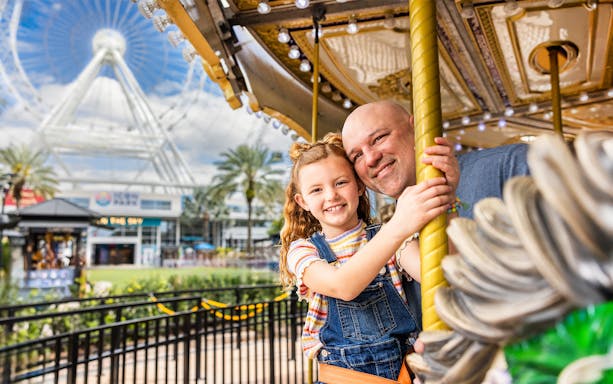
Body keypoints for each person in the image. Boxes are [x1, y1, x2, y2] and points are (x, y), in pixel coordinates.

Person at [279, 133, 458, 381]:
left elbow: (439, 274)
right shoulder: (303, 251)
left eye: (341, 183)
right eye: (317, 190)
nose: (331, 195)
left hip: (401, 375)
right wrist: (399, 225)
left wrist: (448, 198)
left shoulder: (391, 239)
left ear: (359, 186)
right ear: (303, 201)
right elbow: (343, 286)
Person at [342, 100, 529, 217]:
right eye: (357, 155)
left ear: (417, 129)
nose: (370, 159)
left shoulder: (511, 165)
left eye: (379, 138)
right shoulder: (384, 236)